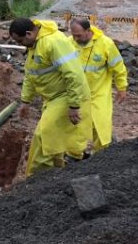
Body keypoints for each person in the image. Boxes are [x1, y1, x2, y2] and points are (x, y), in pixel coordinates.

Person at [9, 18, 91, 176]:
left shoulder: (53, 43)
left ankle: (36, 178)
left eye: (20, 40)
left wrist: (74, 105)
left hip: (66, 95)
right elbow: (30, 75)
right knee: (53, 139)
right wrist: (25, 101)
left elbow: (73, 75)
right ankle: (56, 174)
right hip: (53, 98)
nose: (20, 44)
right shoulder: (35, 45)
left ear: (29, 33)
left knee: (43, 136)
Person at [69, 19, 128, 152]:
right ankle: (75, 154)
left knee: (100, 123)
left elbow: (118, 67)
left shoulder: (106, 43)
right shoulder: (69, 43)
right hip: (77, 93)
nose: (76, 39)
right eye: (73, 35)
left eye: (79, 35)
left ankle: (102, 152)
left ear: (88, 31)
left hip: (98, 92)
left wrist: (121, 87)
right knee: (76, 124)